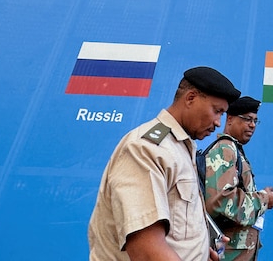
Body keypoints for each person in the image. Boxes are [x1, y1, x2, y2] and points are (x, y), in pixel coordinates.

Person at [88, 66, 241, 261]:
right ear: (191, 98)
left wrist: (200, 250)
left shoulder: (181, 148)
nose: (219, 122)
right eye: (217, 111)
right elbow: (146, 250)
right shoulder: (147, 149)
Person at [203, 96, 273, 261]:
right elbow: (220, 202)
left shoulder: (235, 150)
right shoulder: (225, 148)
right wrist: (263, 199)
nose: (252, 125)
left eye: (255, 121)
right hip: (225, 254)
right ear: (230, 119)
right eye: (247, 119)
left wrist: (263, 196)